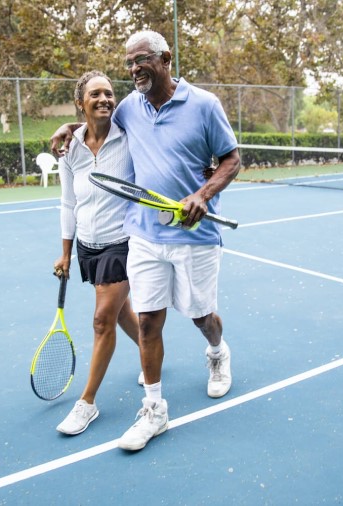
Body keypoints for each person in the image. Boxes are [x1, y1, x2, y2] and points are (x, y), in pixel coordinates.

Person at [51, 31, 240, 451]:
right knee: (150, 321)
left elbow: (232, 158)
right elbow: (95, 121)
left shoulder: (205, 105)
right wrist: (70, 127)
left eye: (141, 60)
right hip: (144, 235)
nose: (134, 69)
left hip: (196, 236)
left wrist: (202, 195)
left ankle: (217, 351)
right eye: (129, 64)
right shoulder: (129, 109)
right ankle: (154, 408)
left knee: (200, 316)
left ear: (165, 58)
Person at [53, 70, 141, 436]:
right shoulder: (69, 147)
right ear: (81, 103)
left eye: (109, 93)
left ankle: (86, 403)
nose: (104, 99)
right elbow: (67, 203)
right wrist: (65, 253)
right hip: (88, 246)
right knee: (120, 314)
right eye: (95, 94)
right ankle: (149, 348)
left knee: (102, 320)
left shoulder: (130, 135)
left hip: (123, 240)